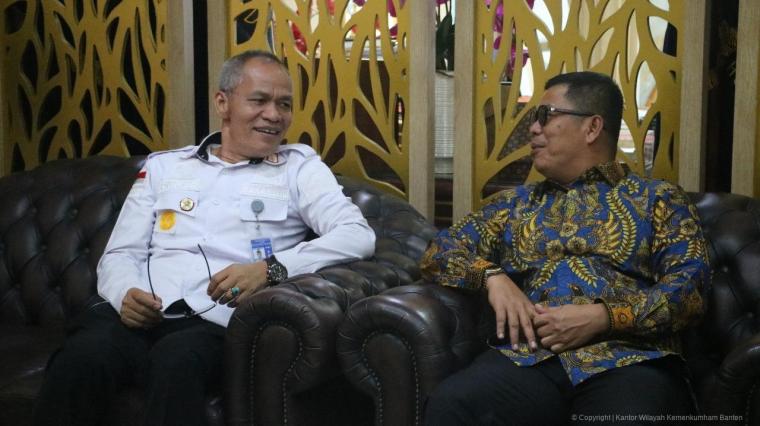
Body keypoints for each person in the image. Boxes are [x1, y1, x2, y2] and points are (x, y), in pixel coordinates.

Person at [33, 50, 375, 426]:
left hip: (214, 322)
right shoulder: (164, 166)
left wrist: (270, 269)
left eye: (284, 104)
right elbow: (121, 252)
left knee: (176, 362)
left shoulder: (299, 168)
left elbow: (356, 235)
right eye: (259, 100)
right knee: (81, 358)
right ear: (223, 103)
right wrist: (125, 294)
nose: (274, 115)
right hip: (141, 314)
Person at [420, 71, 709, 425]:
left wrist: (603, 317)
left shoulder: (657, 199)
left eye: (545, 116)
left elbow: (689, 291)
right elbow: (438, 251)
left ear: (592, 127)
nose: (533, 129)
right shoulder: (515, 204)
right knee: (452, 404)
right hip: (529, 358)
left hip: (629, 360)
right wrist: (491, 277)